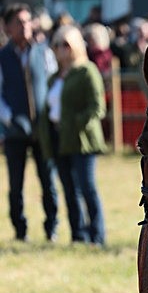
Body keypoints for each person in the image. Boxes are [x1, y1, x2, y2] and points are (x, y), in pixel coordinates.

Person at [38, 24, 107, 245]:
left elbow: (97, 107)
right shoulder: (54, 77)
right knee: (69, 190)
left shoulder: (87, 70)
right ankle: (78, 235)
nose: (61, 49)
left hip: (82, 140)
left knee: (87, 188)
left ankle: (97, 235)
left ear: (75, 46)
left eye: (65, 44)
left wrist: (76, 123)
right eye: (57, 44)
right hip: (59, 138)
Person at [0, 3, 59, 241]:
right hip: (15, 130)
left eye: (27, 21)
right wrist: (10, 118)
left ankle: (51, 227)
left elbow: (53, 84)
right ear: (7, 27)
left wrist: (50, 118)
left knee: (48, 182)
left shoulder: (43, 52)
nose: (24, 26)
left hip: (42, 130)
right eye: (19, 22)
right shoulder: (2, 57)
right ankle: (20, 229)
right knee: (16, 185)